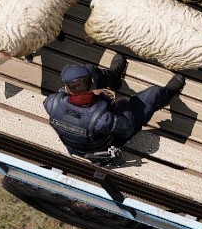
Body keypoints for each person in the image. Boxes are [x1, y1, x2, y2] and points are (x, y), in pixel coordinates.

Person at [43, 54, 185, 165]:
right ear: (92, 83)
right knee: (151, 95)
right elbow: (127, 129)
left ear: (67, 88)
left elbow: (65, 96)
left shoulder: (51, 103)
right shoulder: (102, 120)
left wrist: (93, 94)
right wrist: (121, 104)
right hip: (103, 144)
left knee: (89, 69)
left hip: (79, 141)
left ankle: (113, 77)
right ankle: (167, 93)